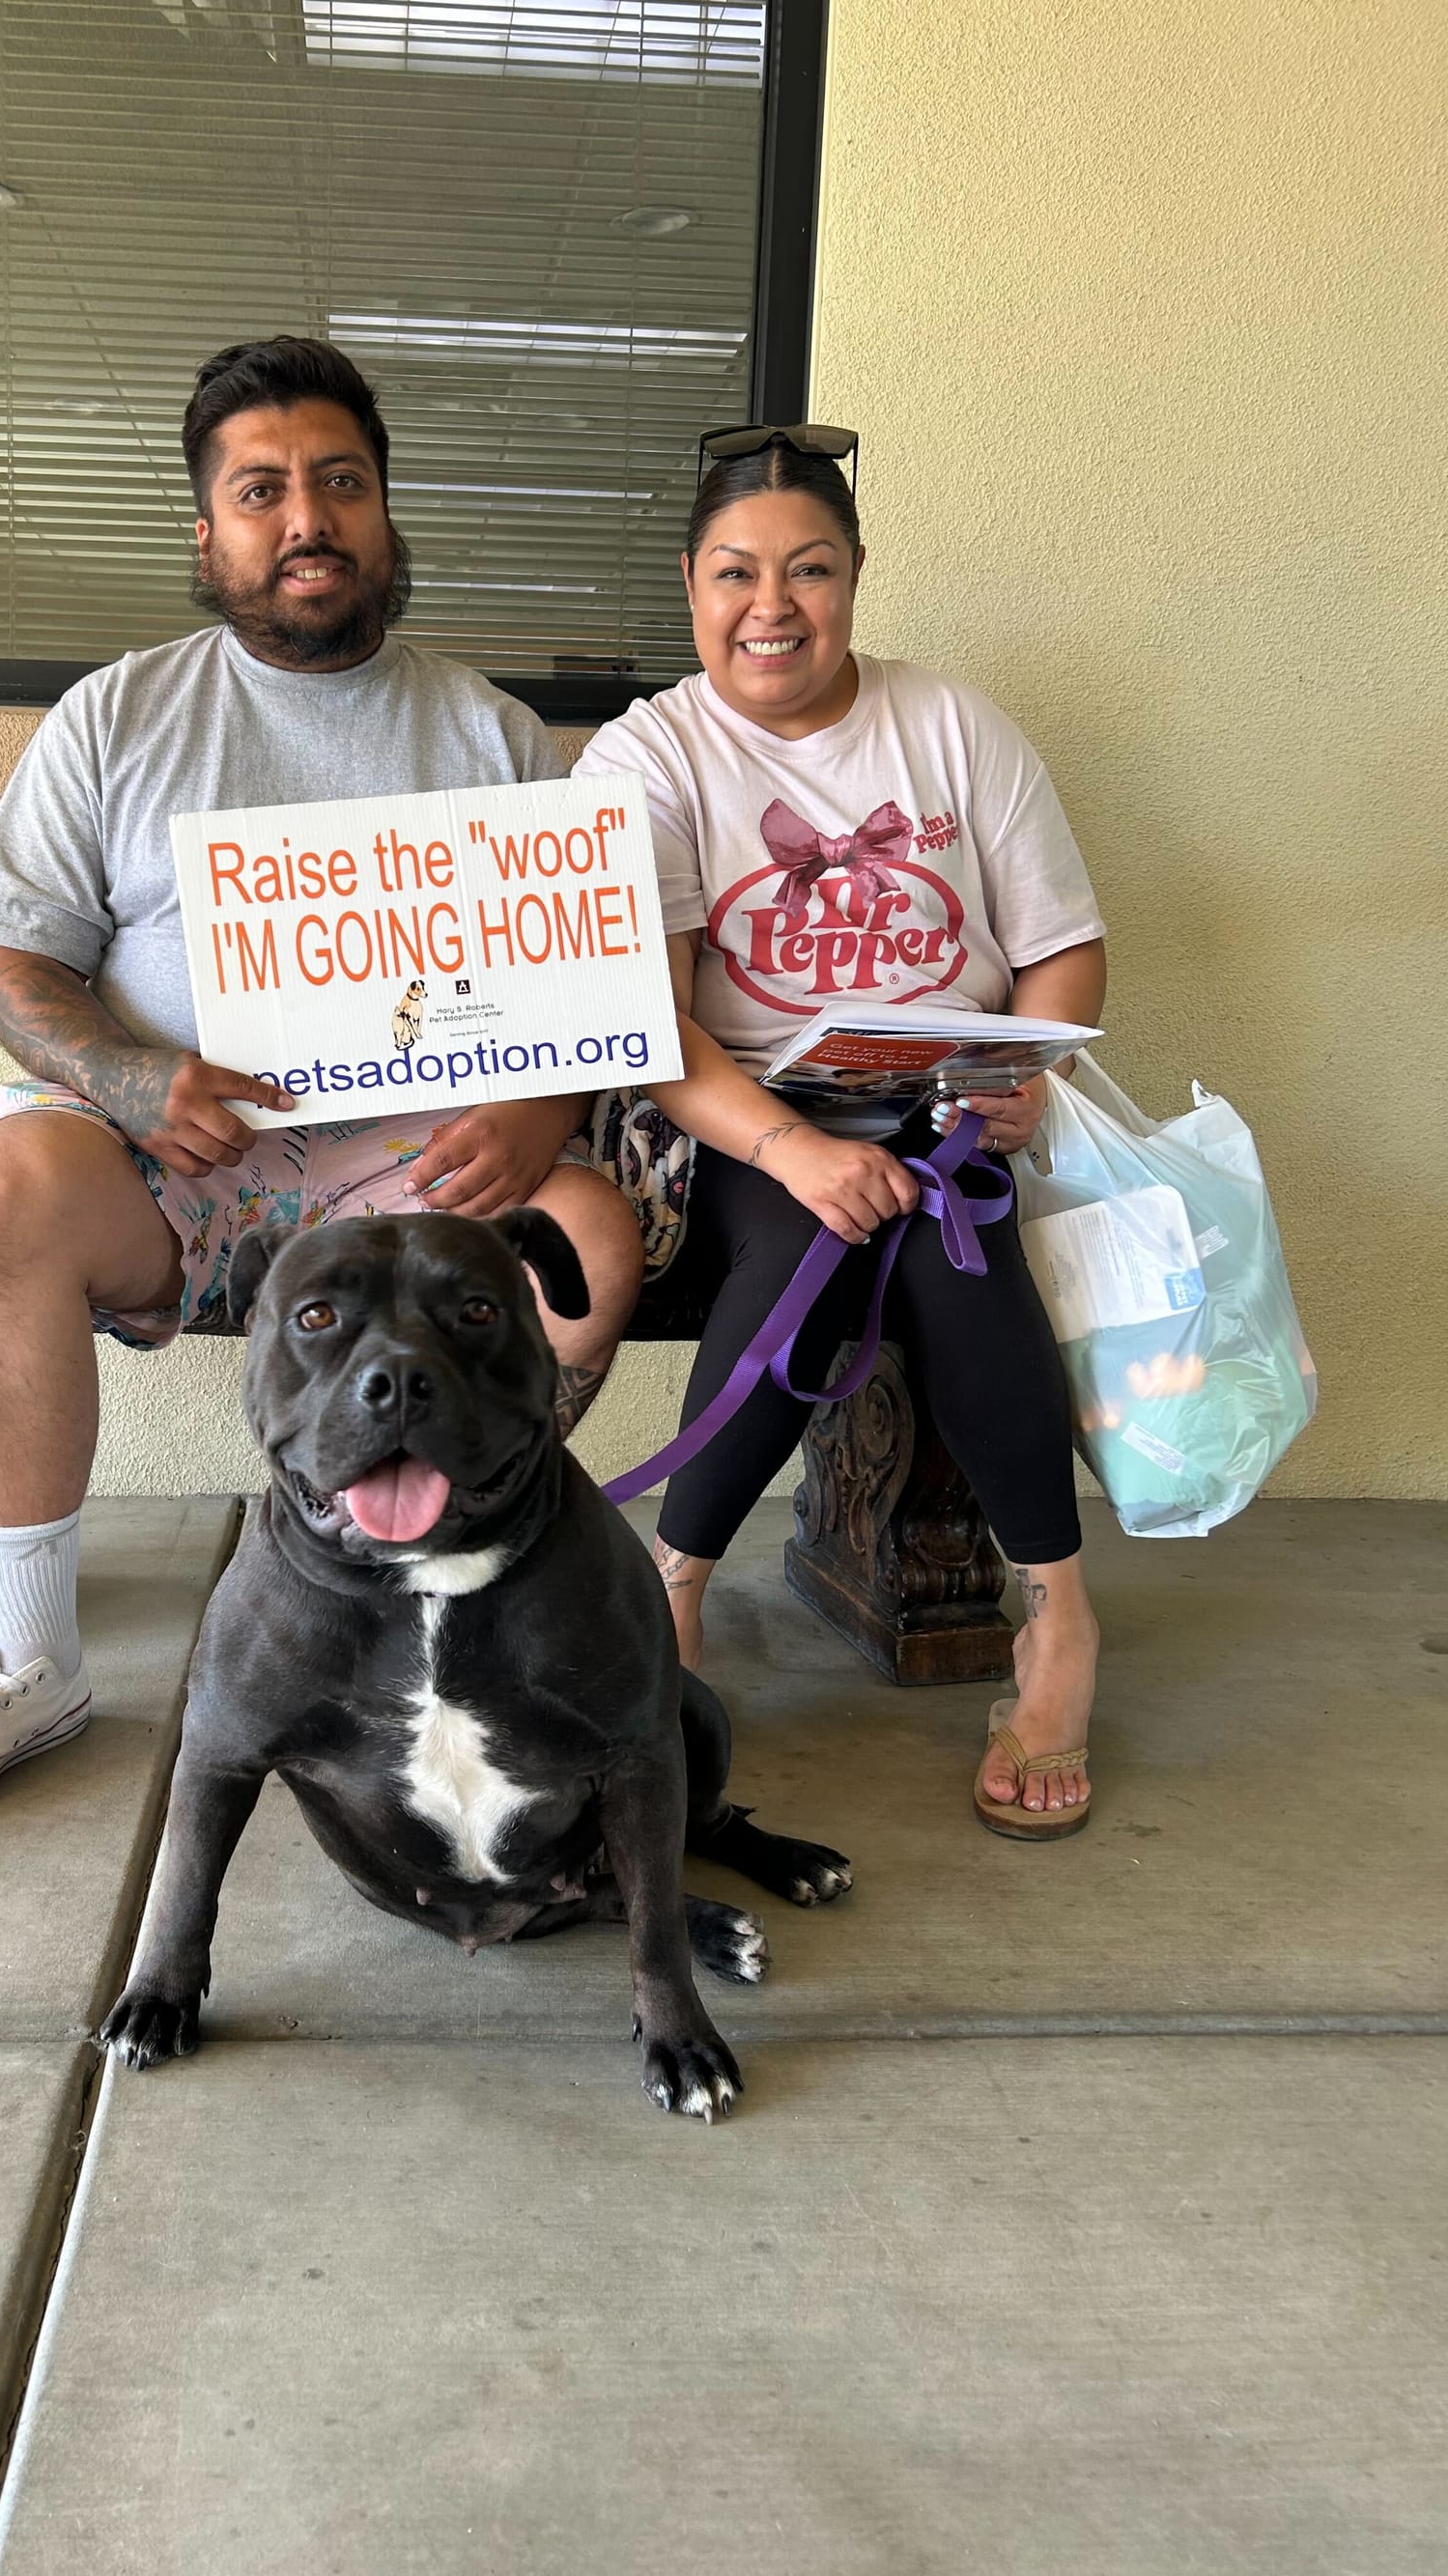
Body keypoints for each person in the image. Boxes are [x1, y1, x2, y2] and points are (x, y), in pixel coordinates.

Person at [0, 336, 644, 1833]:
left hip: (411, 1170)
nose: (307, 519)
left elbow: (590, 989)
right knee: (5, 1183)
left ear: (386, 513)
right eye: (262, 491)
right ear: (207, 534)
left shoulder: (493, 734)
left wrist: (541, 1112)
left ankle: (438, 1582)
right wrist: (130, 1077)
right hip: (177, 1163)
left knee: (588, 1235)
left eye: (342, 483)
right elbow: (13, 971)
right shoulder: (117, 717)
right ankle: (26, 1657)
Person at [576, 430, 1107, 1840]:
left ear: (856, 577)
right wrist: (792, 1149)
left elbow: (1061, 950)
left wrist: (1029, 1071)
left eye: (809, 570)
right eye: (736, 573)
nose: (773, 606)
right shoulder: (649, 754)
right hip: (738, 1115)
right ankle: (678, 1588)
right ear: (690, 584)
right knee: (821, 1230)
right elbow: (651, 1022)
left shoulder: (955, 726)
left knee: (951, 1234)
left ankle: (1058, 1612)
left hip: (947, 1099)